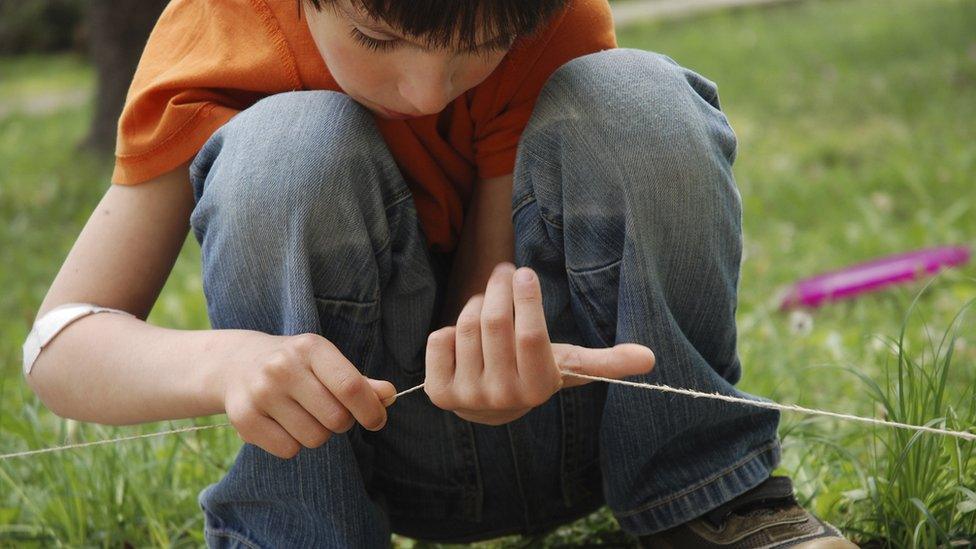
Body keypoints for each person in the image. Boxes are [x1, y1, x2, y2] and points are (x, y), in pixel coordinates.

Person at [23, 0, 858, 547]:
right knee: (285, 147)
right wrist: (224, 362)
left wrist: (493, 343)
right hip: (361, 459)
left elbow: (481, 290)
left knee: (641, 97)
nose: (425, 90)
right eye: (378, 39)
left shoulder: (540, 13)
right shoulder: (219, 33)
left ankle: (710, 503)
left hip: (578, 426)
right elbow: (58, 348)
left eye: (478, 48)